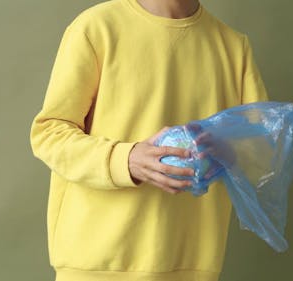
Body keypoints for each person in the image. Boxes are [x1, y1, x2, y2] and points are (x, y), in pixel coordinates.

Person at [29, 0, 269, 280]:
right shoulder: (96, 29)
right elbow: (49, 134)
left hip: (190, 266)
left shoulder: (234, 48)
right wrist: (127, 160)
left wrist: (226, 152)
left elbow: (259, 152)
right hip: (98, 265)